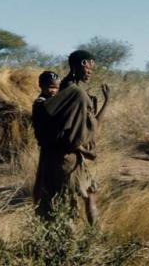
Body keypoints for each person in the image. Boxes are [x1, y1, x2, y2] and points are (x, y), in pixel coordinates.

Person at [33, 50, 109, 225]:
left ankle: (94, 238)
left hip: (72, 156)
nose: (90, 72)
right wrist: (81, 148)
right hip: (65, 158)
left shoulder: (73, 90)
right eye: (90, 68)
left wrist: (107, 101)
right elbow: (60, 127)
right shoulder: (72, 92)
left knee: (88, 195)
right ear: (83, 64)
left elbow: (86, 126)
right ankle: (71, 247)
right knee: (66, 207)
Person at [32, 70, 61, 205]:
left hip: (54, 146)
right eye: (50, 87)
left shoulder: (54, 100)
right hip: (47, 146)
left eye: (56, 87)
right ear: (41, 86)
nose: (53, 90)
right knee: (44, 178)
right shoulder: (40, 103)